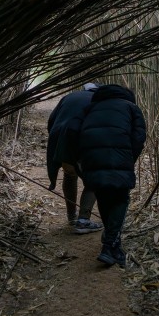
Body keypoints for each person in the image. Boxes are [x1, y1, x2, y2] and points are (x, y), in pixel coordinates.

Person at [77, 83, 146, 268]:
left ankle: (113, 246)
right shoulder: (131, 107)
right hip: (119, 158)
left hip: (91, 158)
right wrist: (128, 158)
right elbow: (139, 137)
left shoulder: (91, 107)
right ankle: (109, 246)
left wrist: (84, 158)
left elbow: (79, 132)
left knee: (104, 197)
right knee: (120, 198)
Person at [46, 83, 104, 234]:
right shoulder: (101, 101)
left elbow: (52, 120)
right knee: (93, 180)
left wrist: (57, 142)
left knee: (69, 174)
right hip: (82, 138)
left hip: (62, 138)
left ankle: (71, 217)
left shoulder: (69, 97)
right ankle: (83, 220)